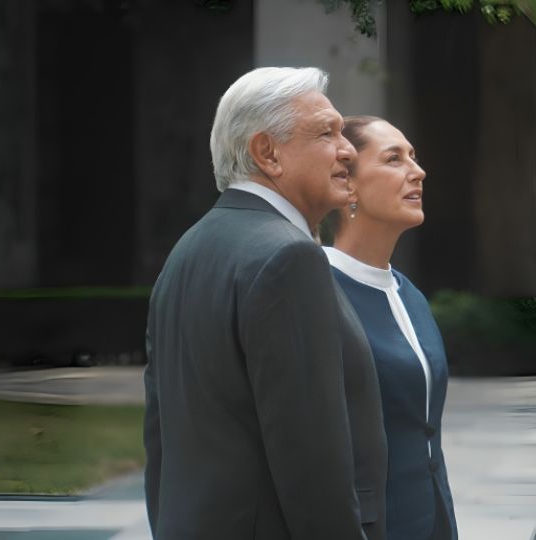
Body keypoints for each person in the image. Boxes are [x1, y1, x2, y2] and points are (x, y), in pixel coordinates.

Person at [143, 68, 387, 539]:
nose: (348, 150)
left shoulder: (187, 250)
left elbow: (162, 442)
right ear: (266, 152)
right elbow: (312, 464)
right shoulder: (289, 257)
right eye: (326, 133)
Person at [323, 116, 458, 540]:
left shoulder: (410, 294)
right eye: (394, 159)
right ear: (348, 184)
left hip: (432, 517)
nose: (418, 172)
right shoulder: (317, 295)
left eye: (413, 158)